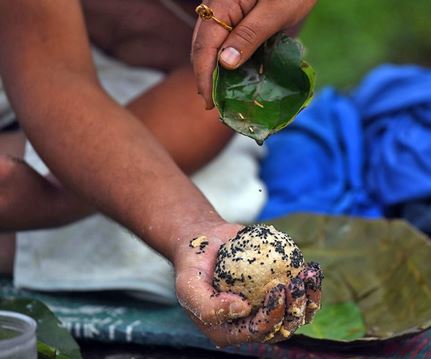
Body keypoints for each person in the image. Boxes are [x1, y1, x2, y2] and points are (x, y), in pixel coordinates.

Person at [0, 0, 321, 346]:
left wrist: (192, 231)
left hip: (160, 102)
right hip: (26, 64)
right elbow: (55, 75)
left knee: (150, 241)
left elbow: (210, 101)